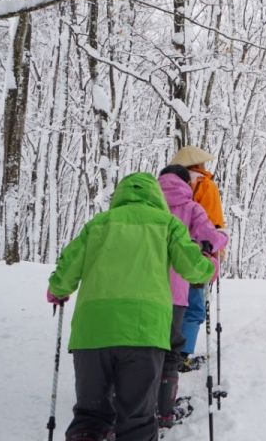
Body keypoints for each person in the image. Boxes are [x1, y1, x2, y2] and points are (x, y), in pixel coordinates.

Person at [46, 172, 215, 441]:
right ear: (155, 197)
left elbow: (68, 267)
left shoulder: (98, 224)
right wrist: (208, 262)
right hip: (144, 332)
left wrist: (57, 290)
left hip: (92, 334)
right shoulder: (167, 224)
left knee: (90, 414)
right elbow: (195, 270)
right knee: (136, 418)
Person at [156, 165, 228, 428]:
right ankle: (164, 411)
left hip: (148, 287)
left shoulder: (150, 207)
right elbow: (210, 236)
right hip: (178, 286)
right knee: (170, 352)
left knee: (147, 350)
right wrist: (220, 239)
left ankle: (136, 404)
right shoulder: (191, 206)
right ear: (187, 182)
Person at [168, 146, 226, 369]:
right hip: (194, 251)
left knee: (171, 303)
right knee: (194, 307)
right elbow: (212, 220)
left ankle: (165, 351)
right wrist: (216, 250)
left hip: (164, 255)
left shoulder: (160, 187)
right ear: (199, 165)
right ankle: (182, 355)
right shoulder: (205, 184)